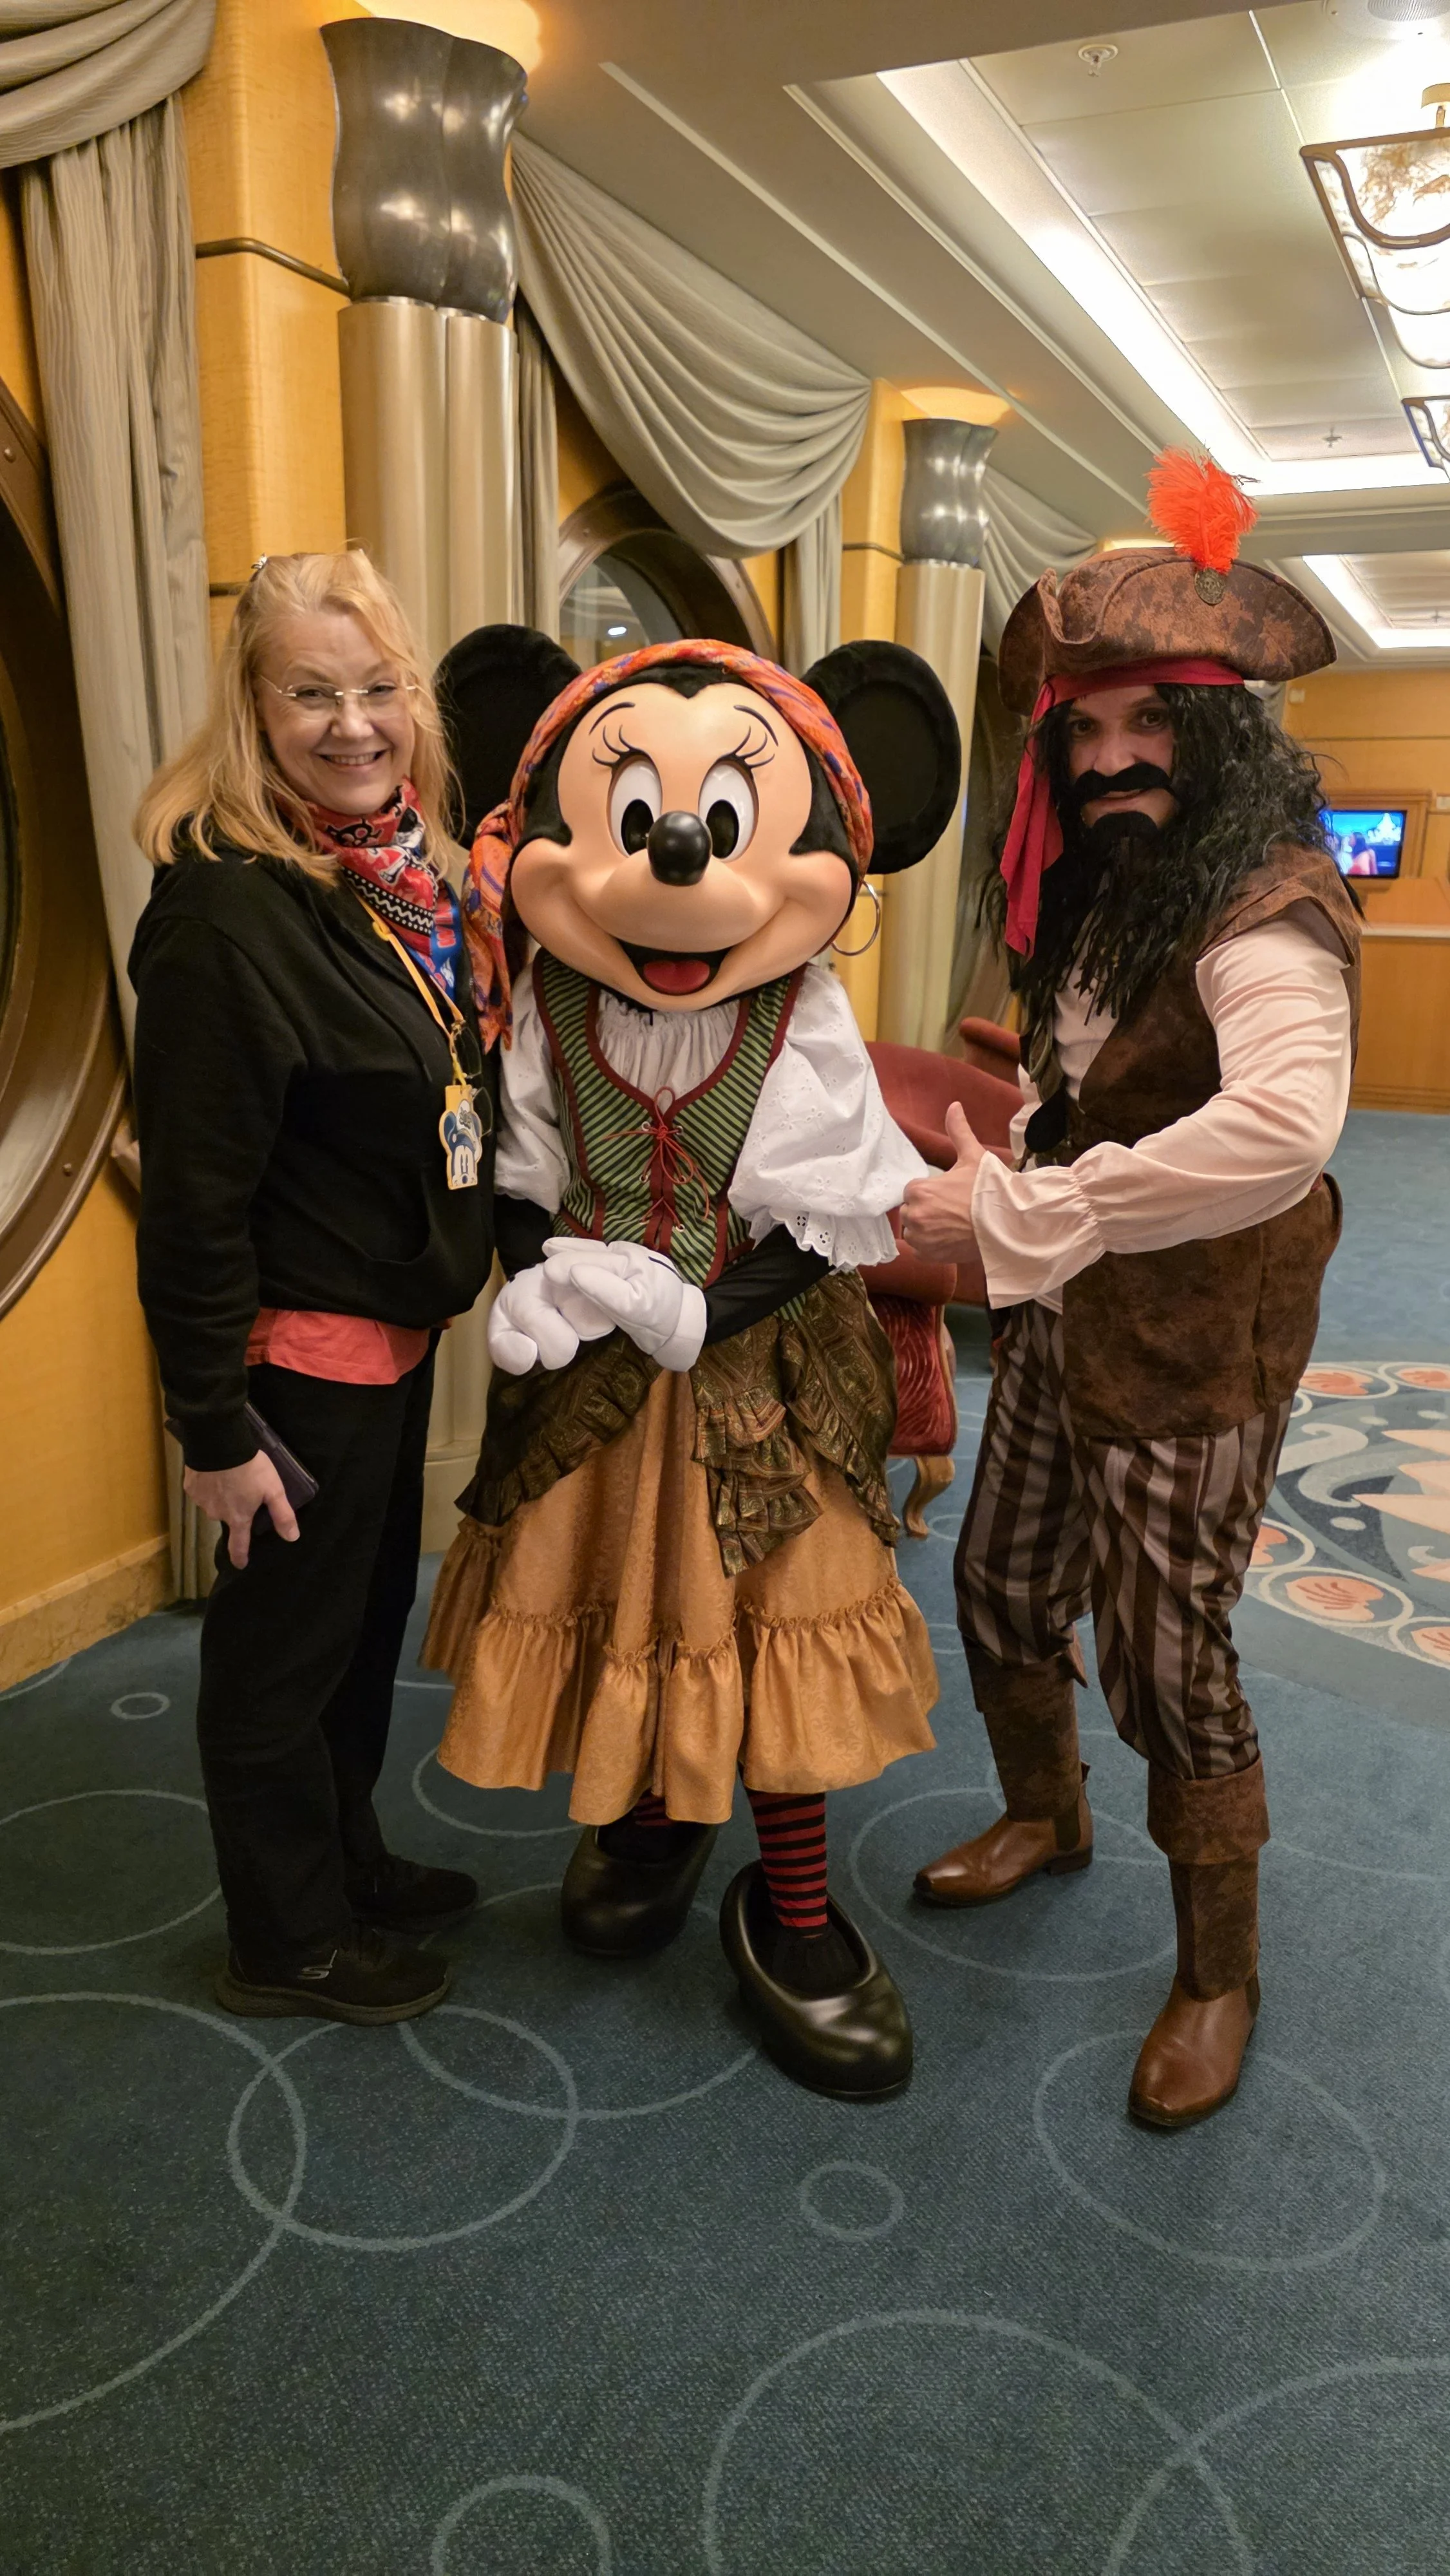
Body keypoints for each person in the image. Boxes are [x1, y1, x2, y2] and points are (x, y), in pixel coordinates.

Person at [420, 626, 959, 2099]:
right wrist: (537, 1276)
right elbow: (523, 1171)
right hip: (593, 1371)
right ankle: (655, 1816)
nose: (669, 862)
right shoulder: (553, 1001)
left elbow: (833, 1215)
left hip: (762, 1371)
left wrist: (699, 1311)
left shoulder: (806, 1016)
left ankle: (788, 1908)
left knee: (766, 1617)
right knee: (627, 1607)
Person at [900, 452, 1361, 2129]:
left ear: (1214, 733)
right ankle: (1046, 1813)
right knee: (1005, 1583)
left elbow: (1275, 1132)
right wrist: (1021, 1125)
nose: (1105, 764)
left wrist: (1023, 1213)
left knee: (1169, 1659)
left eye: (1140, 731)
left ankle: (1214, 1972)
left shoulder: (1267, 907)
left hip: (1190, 1345)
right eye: (1079, 737)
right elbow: (1111, 1080)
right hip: (1065, 1317)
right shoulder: (1098, 896)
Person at [130, 550, 494, 2026]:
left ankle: (348, 1860)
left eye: (378, 688)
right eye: (310, 693)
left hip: (388, 1339)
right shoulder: (229, 916)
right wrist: (210, 1423)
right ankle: (285, 1937)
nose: (353, 725)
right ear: (250, 708)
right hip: (295, 1361)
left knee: (354, 1633)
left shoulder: (394, 884)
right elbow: (195, 1195)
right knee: (280, 1660)